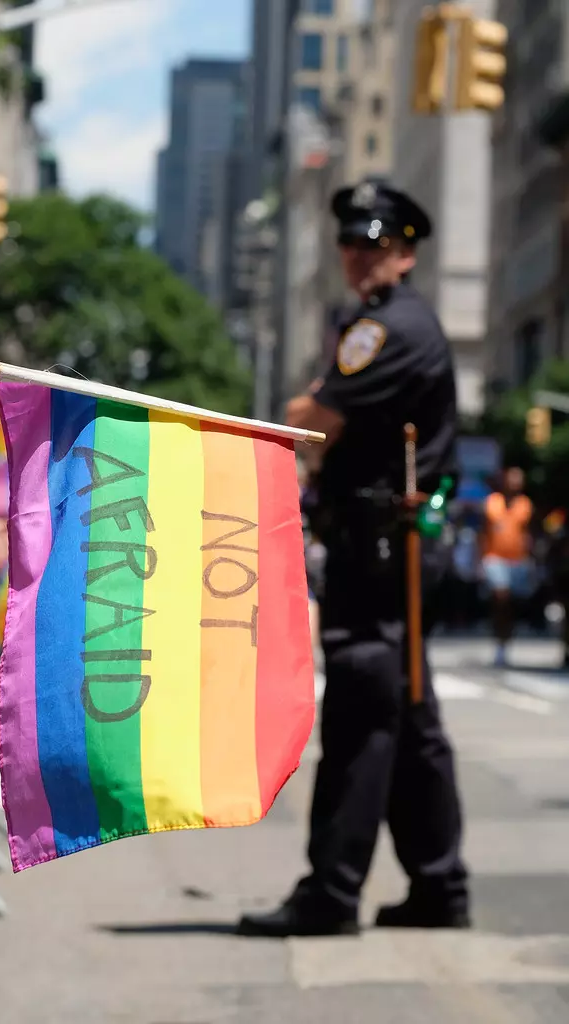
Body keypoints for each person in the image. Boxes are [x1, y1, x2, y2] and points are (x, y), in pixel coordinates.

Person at [238, 178, 469, 938]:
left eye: (375, 245)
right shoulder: (377, 323)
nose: (358, 257)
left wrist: (303, 408)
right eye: (350, 243)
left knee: (363, 717)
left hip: (380, 551)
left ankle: (330, 896)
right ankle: (440, 888)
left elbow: (315, 421)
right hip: (386, 545)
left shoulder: (387, 329)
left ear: (406, 254)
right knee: (407, 715)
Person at [480, 468, 534, 667]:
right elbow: (483, 531)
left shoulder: (525, 505)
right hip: (495, 558)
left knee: (511, 604)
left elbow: (528, 533)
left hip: (518, 561)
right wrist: (479, 560)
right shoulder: (492, 502)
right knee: (500, 598)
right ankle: (499, 641)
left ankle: (505, 640)